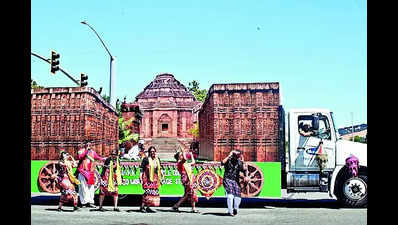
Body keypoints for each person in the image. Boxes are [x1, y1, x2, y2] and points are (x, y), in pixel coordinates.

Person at [76, 141, 106, 208]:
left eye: (90, 145)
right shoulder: (81, 151)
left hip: (90, 172)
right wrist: (86, 151)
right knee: (83, 188)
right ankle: (84, 202)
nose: (89, 146)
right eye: (87, 145)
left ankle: (90, 202)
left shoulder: (92, 152)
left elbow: (97, 157)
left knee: (91, 188)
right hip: (83, 171)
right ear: (85, 145)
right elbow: (80, 157)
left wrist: (103, 159)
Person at [221, 149, 247, 216]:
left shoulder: (239, 162)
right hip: (227, 179)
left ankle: (235, 208)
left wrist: (243, 161)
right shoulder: (228, 160)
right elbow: (222, 162)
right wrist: (229, 155)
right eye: (235, 155)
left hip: (235, 180)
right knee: (230, 196)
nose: (235, 157)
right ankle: (230, 211)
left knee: (238, 197)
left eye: (237, 155)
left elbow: (244, 169)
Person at [139, 146, 163, 213]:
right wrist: (140, 178)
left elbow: (159, 169)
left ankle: (148, 207)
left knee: (152, 193)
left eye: (153, 151)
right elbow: (141, 170)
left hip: (155, 178)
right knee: (147, 192)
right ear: (149, 152)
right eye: (151, 151)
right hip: (147, 178)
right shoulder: (146, 159)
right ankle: (142, 207)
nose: (152, 152)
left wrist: (162, 177)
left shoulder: (157, 159)